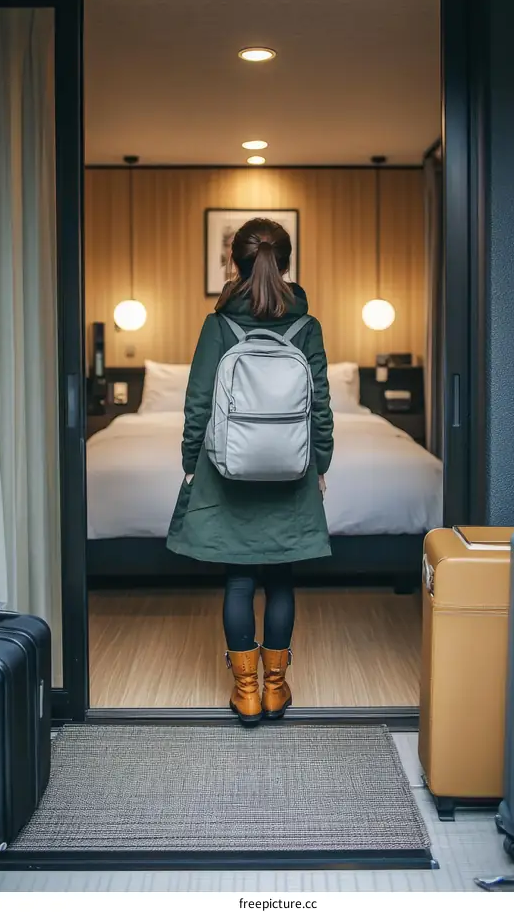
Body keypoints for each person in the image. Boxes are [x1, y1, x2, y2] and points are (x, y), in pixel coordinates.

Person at [167, 218, 334, 725]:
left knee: (239, 581)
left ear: (234, 263)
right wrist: (320, 462)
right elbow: (320, 406)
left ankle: (245, 693)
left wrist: (190, 462)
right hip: (291, 470)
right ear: (285, 263)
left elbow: (198, 403)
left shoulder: (218, 325)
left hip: (226, 468)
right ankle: (276, 689)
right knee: (281, 581)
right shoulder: (307, 325)